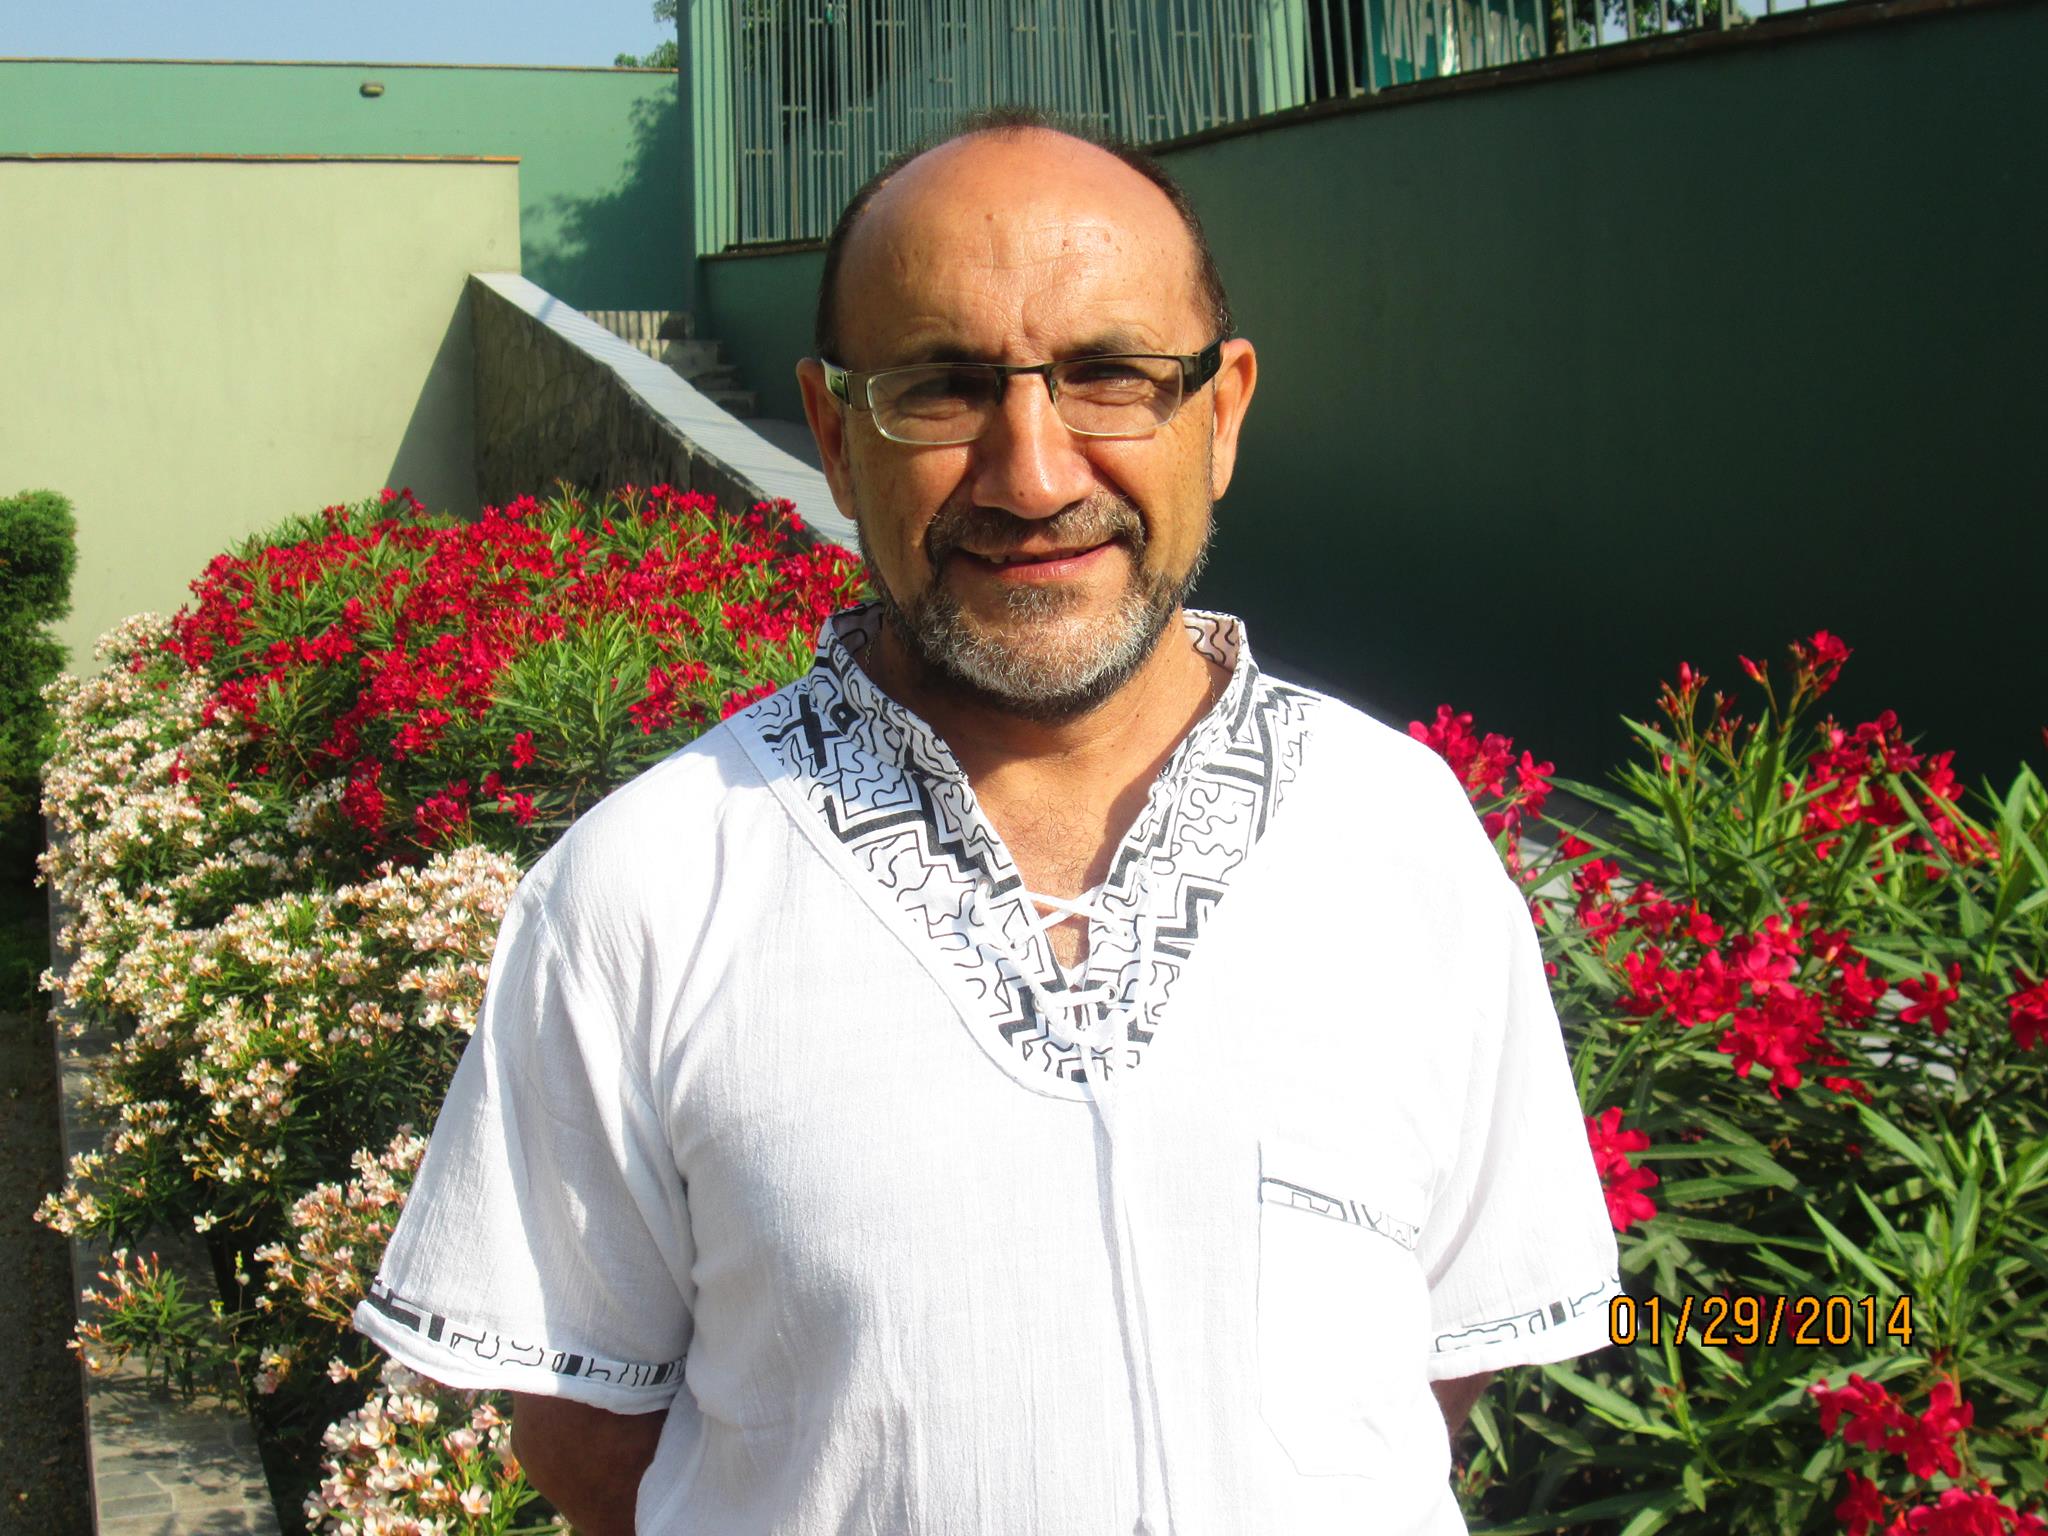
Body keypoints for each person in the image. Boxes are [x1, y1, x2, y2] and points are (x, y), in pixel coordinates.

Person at [354, 109, 1621, 1536]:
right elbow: (593, 1441)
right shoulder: (644, 888)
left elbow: (1423, 1369)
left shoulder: (1397, 834)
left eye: (1113, 376)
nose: (1034, 476)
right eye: (943, 388)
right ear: (835, 434)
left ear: (1220, 414)